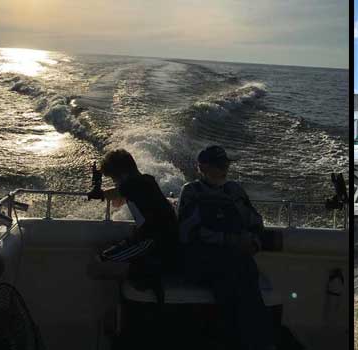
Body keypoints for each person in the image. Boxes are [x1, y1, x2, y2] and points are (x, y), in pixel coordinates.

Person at [177, 145, 273, 350]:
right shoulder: (192, 192)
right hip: (202, 260)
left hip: (235, 258)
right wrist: (228, 240)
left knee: (246, 273)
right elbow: (188, 232)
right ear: (202, 167)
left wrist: (253, 242)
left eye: (226, 164)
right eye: (219, 165)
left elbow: (255, 221)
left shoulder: (234, 191)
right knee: (235, 275)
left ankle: (255, 341)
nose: (225, 169)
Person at [87, 149, 179, 295]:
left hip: (155, 244)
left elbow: (117, 193)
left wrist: (99, 192)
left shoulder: (133, 185)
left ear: (123, 175)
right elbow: (120, 195)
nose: (115, 183)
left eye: (114, 179)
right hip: (158, 241)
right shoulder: (147, 180)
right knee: (104, 254)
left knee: (96, 264)